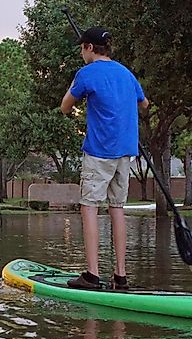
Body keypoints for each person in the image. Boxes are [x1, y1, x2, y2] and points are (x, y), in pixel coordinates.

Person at [60, 26, 149, 290]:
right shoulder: (126, 73)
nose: (80, 52)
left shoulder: (85, 74)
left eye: (81, 47)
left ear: (89, 47)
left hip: (99, 151)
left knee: (89, 207)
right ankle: (120, 276)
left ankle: (92, 274)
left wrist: (75, 86)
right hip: (126, 152)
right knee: (117, 208)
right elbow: (145, 104)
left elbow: (65, 107)